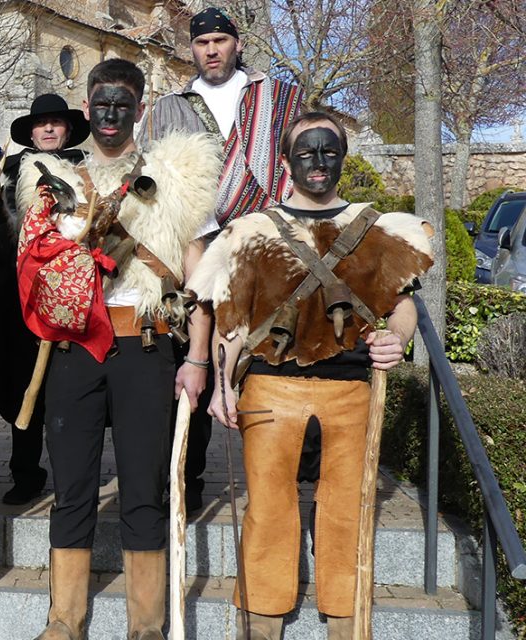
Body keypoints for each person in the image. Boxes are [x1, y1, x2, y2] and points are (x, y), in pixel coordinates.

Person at [189, 112, 433, 640]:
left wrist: (399, 338)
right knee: (269, 510)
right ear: (286, 161)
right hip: (272, 390)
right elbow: (233, 317)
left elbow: (403, 304)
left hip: (352, 392)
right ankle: (261, 623)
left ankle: (347, 623)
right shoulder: (252, 232)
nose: (318, 163)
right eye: (306, 153)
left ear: (342, 158)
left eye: (328, 152)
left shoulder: (377, 229)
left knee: (347, 510)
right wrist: (223, 386)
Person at [16, 59, 220, 640]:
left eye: (122, 105)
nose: (110, 115)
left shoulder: (176, 179)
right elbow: (32, 267)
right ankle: (64, 621)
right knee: (72, 487)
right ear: (86, 108)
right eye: (100, 104)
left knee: (143, 486)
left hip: (146, 346)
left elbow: (199, 280)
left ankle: (146, 626)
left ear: (140, 108)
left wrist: (198, 359)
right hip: (74, 351)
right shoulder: (51, 181)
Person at [143, 6, 307, 514]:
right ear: (190, 49)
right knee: (192, 360)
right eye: (201, 43)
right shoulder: (168, 106)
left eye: (219, 40)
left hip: (261, 240)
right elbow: (150, 173)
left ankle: (279, 480)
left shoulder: (277, 97)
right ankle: (187, 480)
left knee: (265, 358)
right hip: (193, 245)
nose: (211, 50)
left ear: (236, 43)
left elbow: (299, 159)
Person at [0, 93, 89, 506]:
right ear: (30, 130)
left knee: (67, 392)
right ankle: (25, 473)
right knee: (21, 385)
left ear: (67, 129)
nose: (48, 129)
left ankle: (70, 476)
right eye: (40, 123)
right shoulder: (6, 174)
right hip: (16, 296)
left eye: (55, 122)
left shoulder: (84, 170)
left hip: (69, 296)